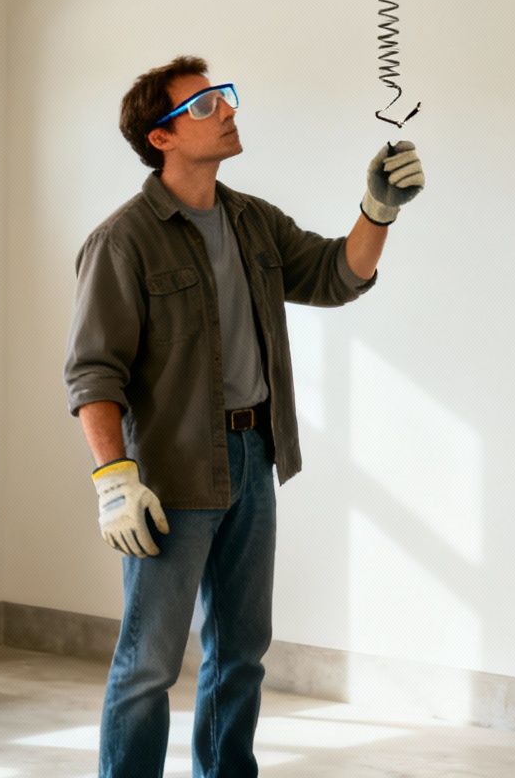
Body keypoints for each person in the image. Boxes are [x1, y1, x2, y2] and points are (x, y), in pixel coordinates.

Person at [64, 55, 426, 778]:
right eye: (202, 106)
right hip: (169, 475)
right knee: (149, 663)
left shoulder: (252, 221)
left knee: (241, 654)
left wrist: (376, 210)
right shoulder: (124, 240)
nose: (226, 111)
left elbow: (336, 275)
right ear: (161, 138)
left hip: (252, 458)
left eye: (222, 98)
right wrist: (113, 478)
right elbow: (92, 370)